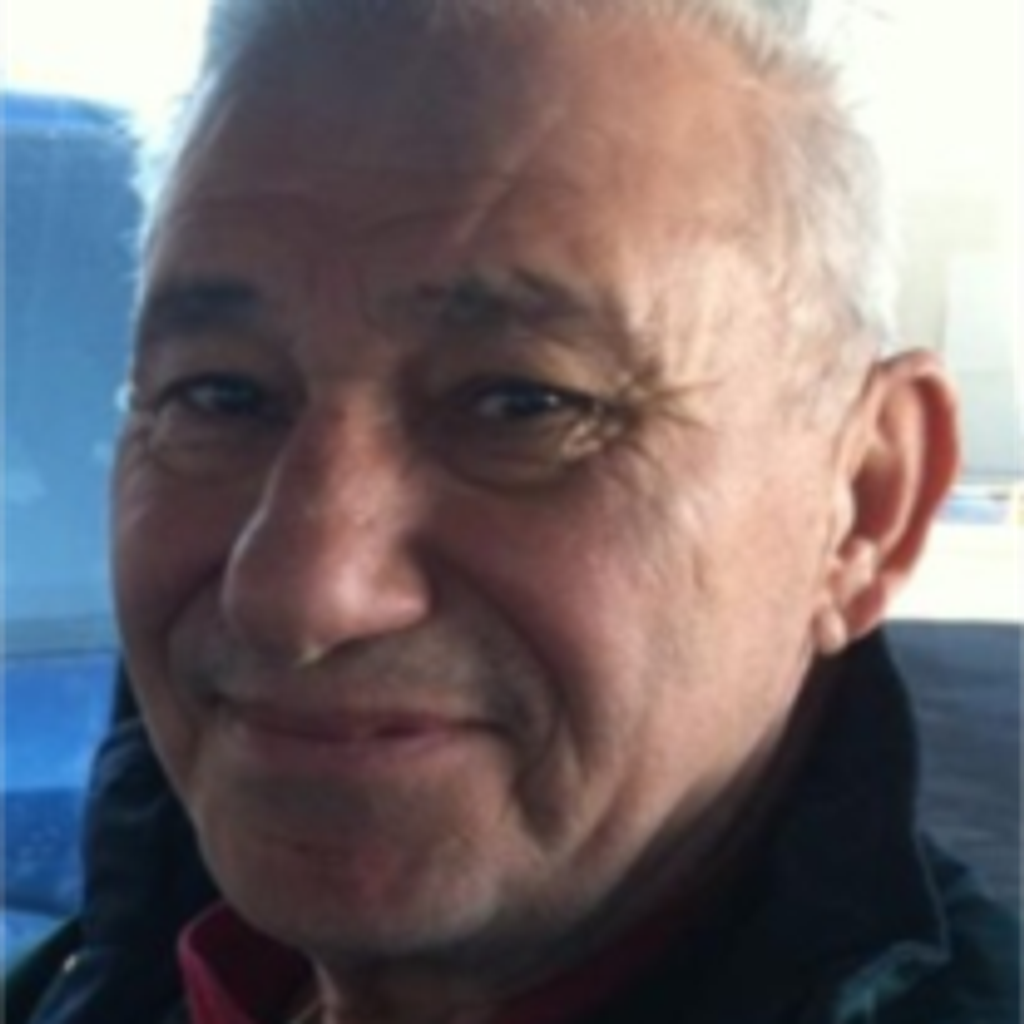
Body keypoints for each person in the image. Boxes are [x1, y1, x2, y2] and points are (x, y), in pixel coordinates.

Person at [3, 1, 1021, 1022]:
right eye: (219, 395)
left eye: (524, 404)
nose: (300, 594)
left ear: (864, 507)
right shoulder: (91, 982)